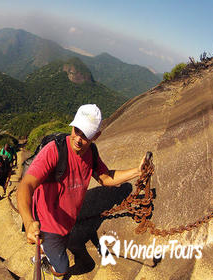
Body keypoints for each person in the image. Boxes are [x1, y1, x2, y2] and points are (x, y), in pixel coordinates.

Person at [17, 104, 145, 279]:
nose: (78, 139)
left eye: (86, 135)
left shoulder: (91, 152)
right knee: (62, 269)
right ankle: (45, 261)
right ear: (73, 126)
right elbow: (26, 185)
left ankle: (47, 251)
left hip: (68, 221)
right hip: (47, 222)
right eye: (77, 130)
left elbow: (105, 178)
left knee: (60, 248)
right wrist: (29, 221)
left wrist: (137, 172)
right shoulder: (55, 150)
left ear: (96, 136)